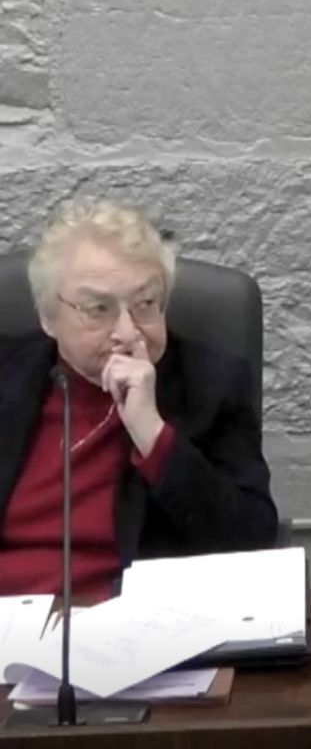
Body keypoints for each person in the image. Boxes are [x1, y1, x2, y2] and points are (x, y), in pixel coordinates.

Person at [0, 199, 277, 596]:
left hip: (132, 625)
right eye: (99, 309)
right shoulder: (9, 376)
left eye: (145, 304)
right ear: (48, 316)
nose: (128, 332)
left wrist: (154, 434)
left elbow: (251, 542)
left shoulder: (211, 385)